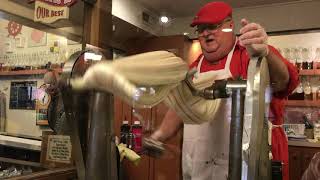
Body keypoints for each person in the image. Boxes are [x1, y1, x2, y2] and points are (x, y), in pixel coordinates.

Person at [149, 1, 299, 180]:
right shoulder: (196, 66)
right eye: (201, 29)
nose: (205, 33)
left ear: (230, 26)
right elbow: (182, 105)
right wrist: (158, 136)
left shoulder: (250, 52)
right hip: (201, 164)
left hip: (248, 163)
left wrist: (265, 53)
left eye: (213, 26)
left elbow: (283, 82)